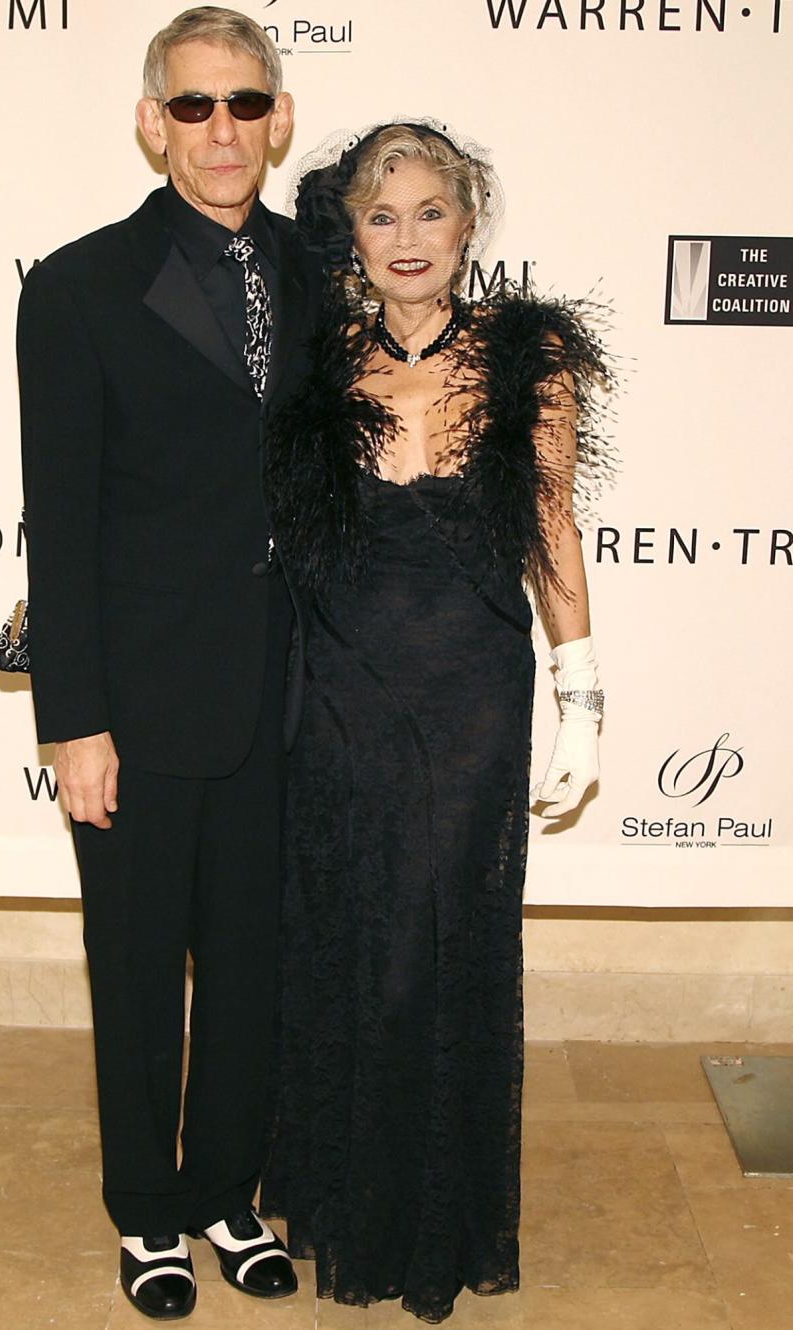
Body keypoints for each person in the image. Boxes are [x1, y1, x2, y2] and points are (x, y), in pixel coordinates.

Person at [260, 121, 615, 1323]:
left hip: (469, 692)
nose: (406, 237)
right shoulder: (317, 359)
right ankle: (347, 1201)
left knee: (438, 944)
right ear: (350, 234)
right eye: (380, 214)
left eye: (429, 212)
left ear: (470, 224)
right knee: (348, 934)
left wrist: (584, 699)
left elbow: (551, 528)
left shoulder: (530, 355)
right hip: (340, 691)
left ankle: (432, 1222)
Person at [16, 7, 323, 1320]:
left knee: (256, 960)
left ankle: (223, 1188)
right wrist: (73, 719)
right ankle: (147, 1207)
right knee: (138, 963)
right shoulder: (77, 287)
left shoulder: (329, 271)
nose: (222, 131)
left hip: (291, 690)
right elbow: (62, 516)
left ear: (278, 120)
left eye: (245, 104)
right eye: (194, 106)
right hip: (138, 699)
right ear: (152, 123)